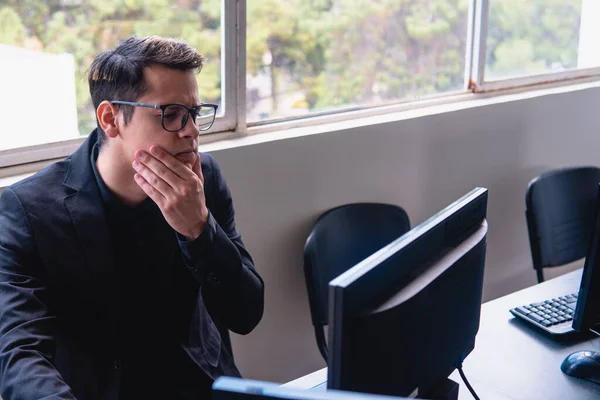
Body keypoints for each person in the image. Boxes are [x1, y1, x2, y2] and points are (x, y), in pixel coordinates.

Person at [0, 36, 264, 400]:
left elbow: (246, 314)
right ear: (110, 119)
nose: (189, 130)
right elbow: (20, 352)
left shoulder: (202, 179)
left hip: (199, 385)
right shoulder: (28, 209)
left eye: (194, 113)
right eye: (170, 114)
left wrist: (199, 230)